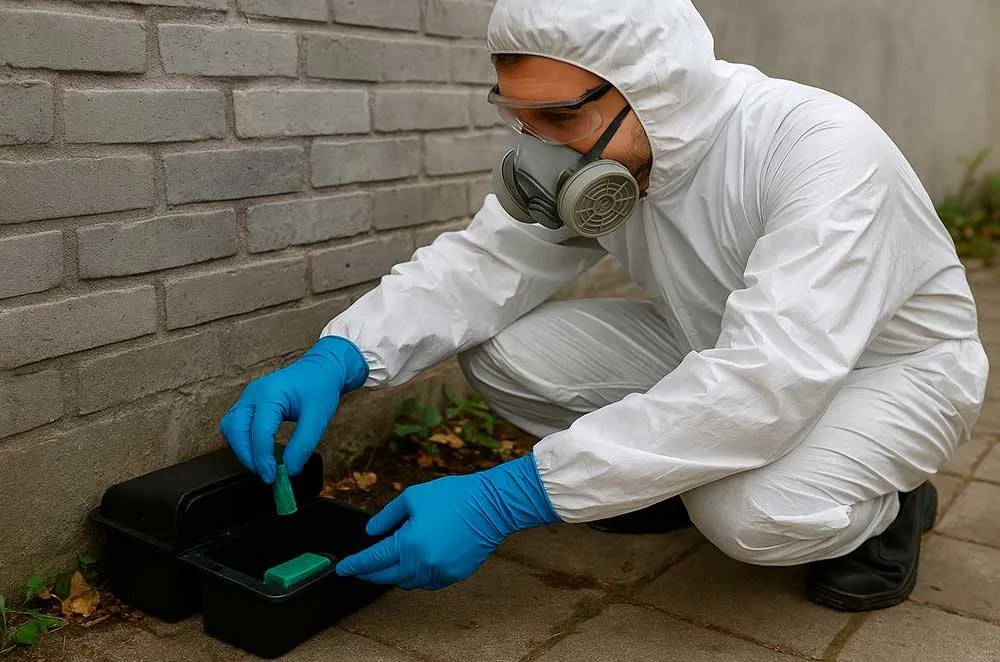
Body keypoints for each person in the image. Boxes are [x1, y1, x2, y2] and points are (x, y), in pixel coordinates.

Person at [219, 0, 989, 610]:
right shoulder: (623, 152)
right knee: (500, 350)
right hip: (724, 345)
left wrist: (510, 497)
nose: (540, 148)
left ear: (652, 86)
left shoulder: (820, 151)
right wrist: (341, 355)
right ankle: (661, 477)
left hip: (893, 372)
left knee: (749, 513)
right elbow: (485, 265)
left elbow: (766, 381)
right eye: (521, 119)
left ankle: (887, 511)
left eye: (559, 118)